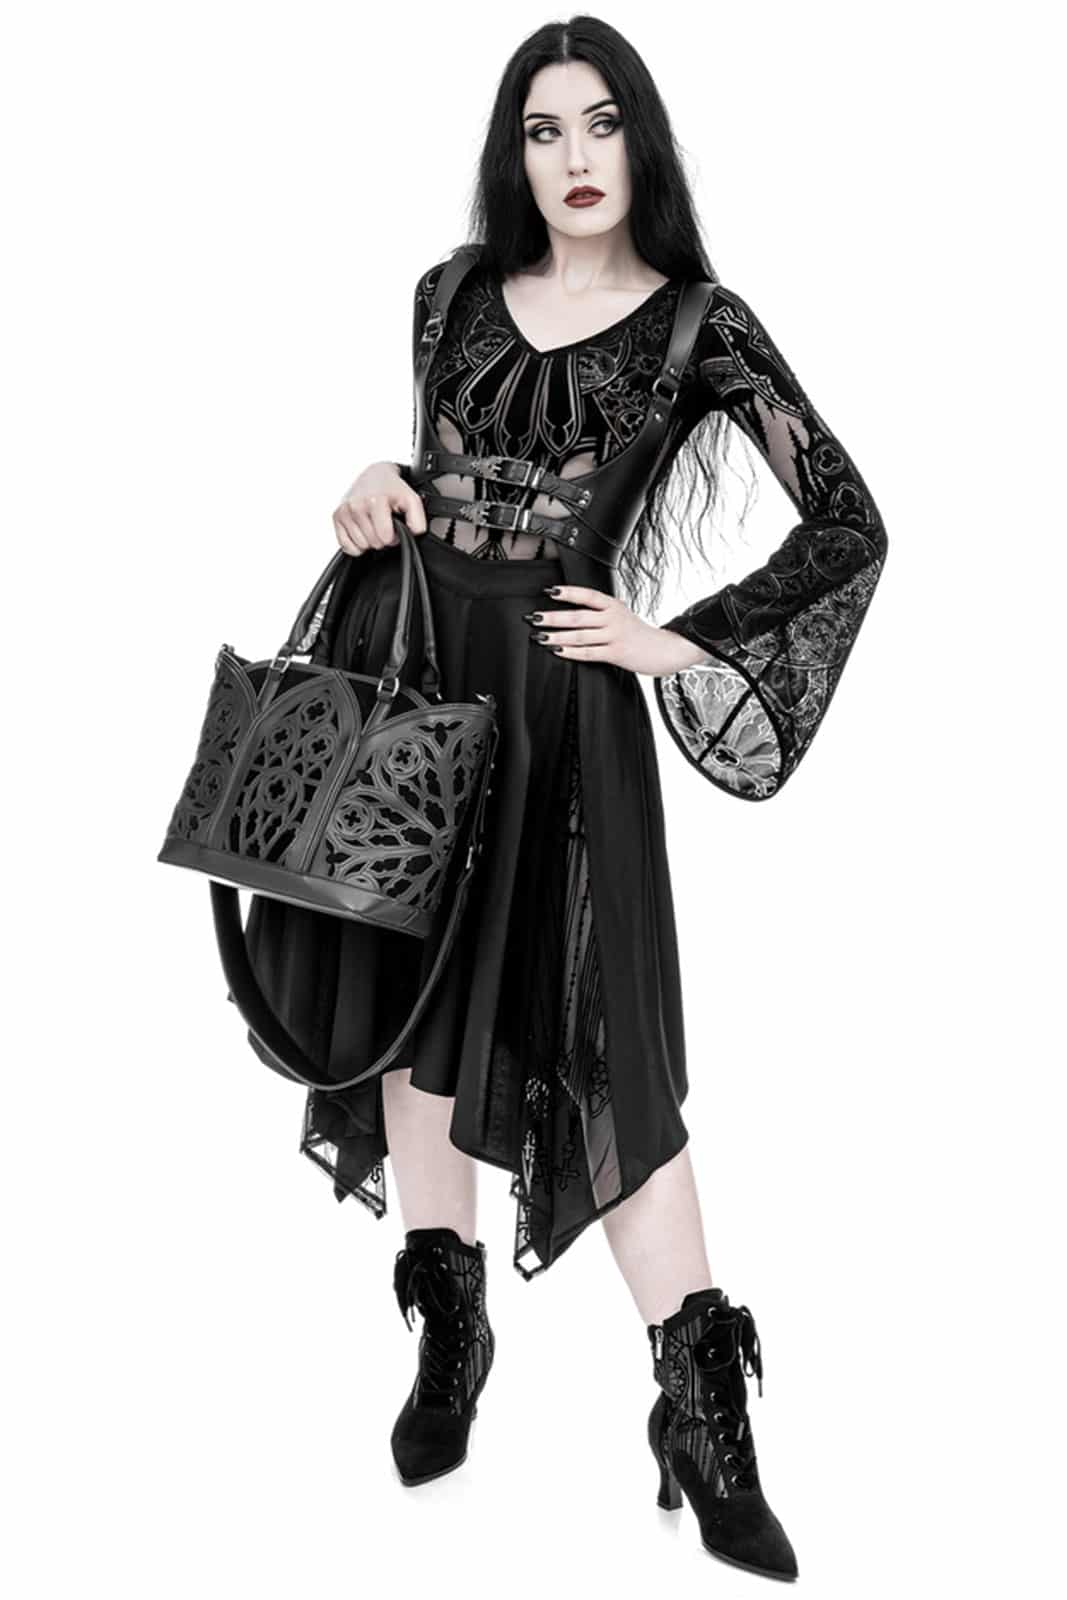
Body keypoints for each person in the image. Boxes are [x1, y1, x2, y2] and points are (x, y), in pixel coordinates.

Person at [242, 16, 887, 1581]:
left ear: (641, 141)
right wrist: (376, 489)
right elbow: (431, 486)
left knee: (603, 1051)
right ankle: (449, 1325)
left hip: (562, 713)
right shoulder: (450, 294)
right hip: (414, 684)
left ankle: (700, 1406)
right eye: (545, 131)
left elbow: (847, 522)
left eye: (602, 125)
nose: (576, 158)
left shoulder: (699, 327)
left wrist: (683, 641)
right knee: (408, 1008)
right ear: (513, 154)